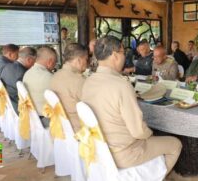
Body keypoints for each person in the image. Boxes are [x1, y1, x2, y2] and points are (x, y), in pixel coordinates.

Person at [82, 35, 182, 174]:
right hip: (124, 153)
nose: (124, 57)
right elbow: (139, 131)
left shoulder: (88, 81)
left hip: (98, 147)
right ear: (115, 55)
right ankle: (156, 176)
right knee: (175, 144)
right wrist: (151, 134)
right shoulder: (121, 85)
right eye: (123, 52)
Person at [50, 44, 87, 132]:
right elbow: (92, 106)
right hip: (77, 127)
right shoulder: (78, 80)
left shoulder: (55, 76)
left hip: (60, 124)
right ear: (79, 60)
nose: (87, 62)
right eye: (86, 59)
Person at [23, 47, 57, 128]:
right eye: (55, 62)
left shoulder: (27, 73)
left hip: (31, 116)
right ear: (50, 62)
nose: (55, 65)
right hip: (46, 119)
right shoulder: (49, 77)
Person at [1, 47, 36, 115]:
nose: (34, 64)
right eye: (34, 61)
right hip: (20, 108)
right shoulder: (25, 74)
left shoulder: (7, 67)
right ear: (29, 59)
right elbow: (31, 94)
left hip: (8, 105)